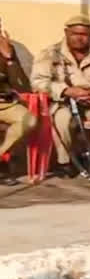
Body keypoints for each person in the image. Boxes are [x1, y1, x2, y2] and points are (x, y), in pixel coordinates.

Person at [30, 16, 90, 178]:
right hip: (63, 103)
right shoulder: (50, 54)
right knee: (62, 119)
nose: (79, 38)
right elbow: (38, 81)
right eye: (74, 33)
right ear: (66, 33)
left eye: (84, 34)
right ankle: (65, 163)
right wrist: (67, 91)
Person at [0, 26, 35, 185]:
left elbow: (23, 87)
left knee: (29, 120)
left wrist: (9, 58)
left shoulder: (11, 49)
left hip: (5, 103)